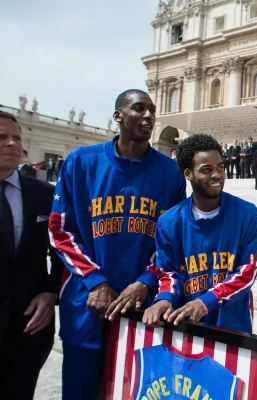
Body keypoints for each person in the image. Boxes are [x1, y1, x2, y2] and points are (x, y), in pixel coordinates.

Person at [49, 89, 187, 399]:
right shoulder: (81, 162)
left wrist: (145, 281)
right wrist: (95, 281)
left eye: (152, 110)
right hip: (87, 307)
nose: (149, 115)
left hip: (142, 310)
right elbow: (60, 230)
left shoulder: (171, 173)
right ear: (118, 116)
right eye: (139, 108)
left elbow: (172, 243)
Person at [142, 134, 257, 334]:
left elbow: (248, 271)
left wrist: (206, 301)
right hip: (185, 326)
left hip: (232, 328)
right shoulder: (169, 221)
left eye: (220, 167)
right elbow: (169, 272)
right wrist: (164, 299)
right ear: (188, 174)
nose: (217, 175)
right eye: (206, 170)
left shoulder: (247, 214)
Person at [0, 111, 63, 399]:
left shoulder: (43, 194)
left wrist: (51, 291)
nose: (12, 144)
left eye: (17, 138)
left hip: (27, 328)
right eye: (2, 137)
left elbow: (62, 249)